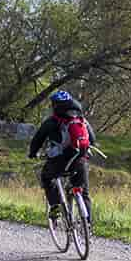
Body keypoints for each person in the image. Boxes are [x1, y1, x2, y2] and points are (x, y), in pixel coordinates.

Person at [28, 90, 96, 221]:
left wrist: (33, 153)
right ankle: (88, 224)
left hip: (59, 162)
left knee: (46, 177)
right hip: (80, 160)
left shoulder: (52, 121)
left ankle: (55, 206)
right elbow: (92, 140)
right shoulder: (82, 120)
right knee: (83, 191)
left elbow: (38, 139)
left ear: (55, 105)